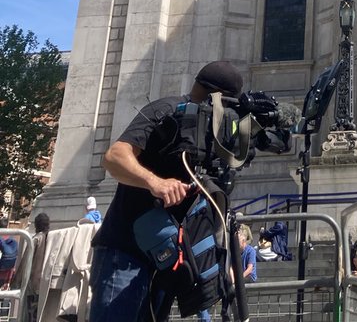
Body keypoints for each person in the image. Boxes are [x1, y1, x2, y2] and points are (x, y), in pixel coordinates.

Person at [88, 59, 244, 322]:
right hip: (125, 252)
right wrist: (156, 183)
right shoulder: (168, 110)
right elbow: (114, 157)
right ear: (217, 99)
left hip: (165, 259)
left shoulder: (211, 136)